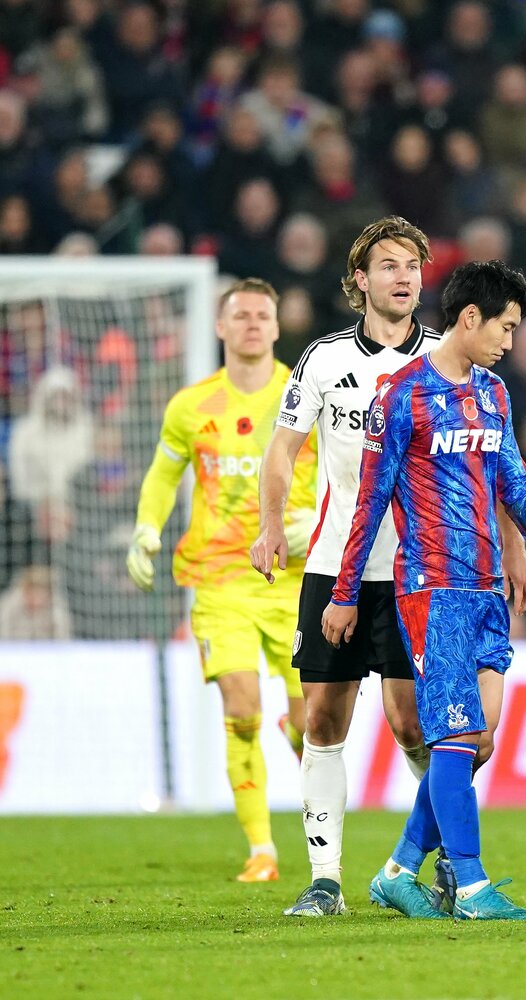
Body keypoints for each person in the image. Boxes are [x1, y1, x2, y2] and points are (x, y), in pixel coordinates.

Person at [253, 216, 526, 918]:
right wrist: (267, 528)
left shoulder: (450, 355)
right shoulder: (321, 360)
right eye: (388, 265)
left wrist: (516, 544)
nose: (403, 276)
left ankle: (420, 864)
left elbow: (489, 459)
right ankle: (326, 880)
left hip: (427, 572)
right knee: (322, 717)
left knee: (423, 727)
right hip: (336, 563)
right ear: (361, 279)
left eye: (413, 264)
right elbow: (281, 452)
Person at [322, 259, 526, 921]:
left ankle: (395, 872)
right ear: (468, 318)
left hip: (486, 590)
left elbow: (516, 483)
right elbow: (371, 499)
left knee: (475, 741)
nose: (509, 339)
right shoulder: (402, 394)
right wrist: (345, 591)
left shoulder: (494, 394)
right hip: (433, 587)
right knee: (453, 736)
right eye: (504, 326)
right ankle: (470, 887)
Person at [127, 278, 318, 883]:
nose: (254, 324)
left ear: (277, 325)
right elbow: (163, 475)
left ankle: (318, 814)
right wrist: (145, 529)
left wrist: (316, 521)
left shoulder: (306, 393)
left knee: (310, 725)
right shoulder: (191, 405)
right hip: (220, 579)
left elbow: (352, 469)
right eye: (242, 315)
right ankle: (262, 848)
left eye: (264, 314)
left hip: (292, 582)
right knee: (241, 709)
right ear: (221, 327)